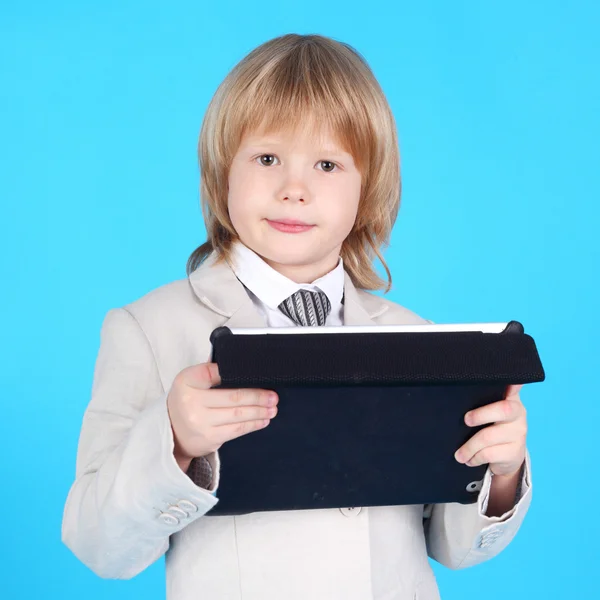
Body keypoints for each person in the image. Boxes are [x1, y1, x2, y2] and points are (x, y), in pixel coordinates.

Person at [61, 33, 532, 600]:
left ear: (368, 189)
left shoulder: (416, 340)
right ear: (222, 173)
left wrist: (500, 473)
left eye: (328, 164)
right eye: (266, 158)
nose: (294, 190)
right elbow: (98, 545)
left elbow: (455, 548)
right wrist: (173, 443)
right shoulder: (148, 330)